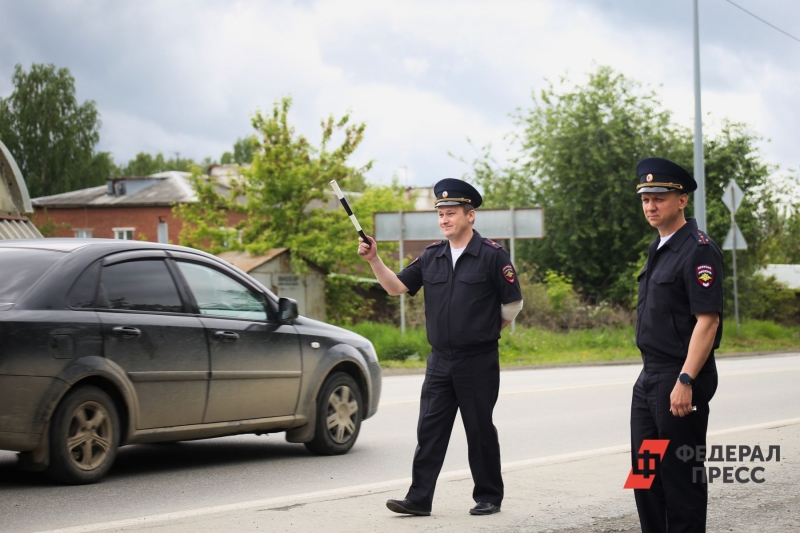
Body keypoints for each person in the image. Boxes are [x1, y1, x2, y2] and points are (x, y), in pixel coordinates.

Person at [358, 178, 523, 517]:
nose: (445, 219)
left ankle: (489, 495)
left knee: (478, 429)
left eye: (451, 213)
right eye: (441, 214)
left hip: (477, 359)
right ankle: (419, 498)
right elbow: (396, 287)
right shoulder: (432, 256)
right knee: (430, 430)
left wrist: (487, 331)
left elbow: (513, 304)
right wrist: (374, 260)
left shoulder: (491, 255)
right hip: (440, 361)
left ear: (470, 215)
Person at [631, 157, 723, 532]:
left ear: (682, 200)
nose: (651, 206)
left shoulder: (698, 249)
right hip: (650, 377)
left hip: (681, 378)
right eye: (645, 199)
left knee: (681, 476)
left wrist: (685, 380)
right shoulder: (659, 246)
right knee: (645, 475)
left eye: (659, 198)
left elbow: (708, 320)